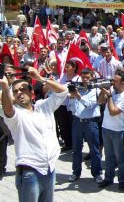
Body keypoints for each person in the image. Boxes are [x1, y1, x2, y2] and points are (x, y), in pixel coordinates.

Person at [1, 67, 68, 202]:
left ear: (31, 92)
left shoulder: (43, 106)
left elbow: (63, 91)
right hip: (30, 173)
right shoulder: (16, 115)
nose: (19, 93)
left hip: (50, 169)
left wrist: (41, 78)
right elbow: (7, 108)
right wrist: (5, 88)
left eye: (22, 89)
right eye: (15, 92)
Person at [97, 69, 124, 190]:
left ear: (123, 83)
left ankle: (122, 180)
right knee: (108, 155)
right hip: (106, 127)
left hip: (118, 130)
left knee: (120, 157)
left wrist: (110, 95)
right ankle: (108, 178)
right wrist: (103, 91)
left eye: (115, 81)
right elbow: (100, 101)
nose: (112, 83)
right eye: (112, 81)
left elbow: (113, 112)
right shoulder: (112, 90)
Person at [67, 68, 103, 183]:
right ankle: (76, 172)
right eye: (83, 77)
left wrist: (79, 97)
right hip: (77, 121)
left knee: (94, 150)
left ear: (92, 77)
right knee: (76, 149)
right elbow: (72, 108)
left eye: (88, 77)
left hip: (91, 122)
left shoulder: (95, 90)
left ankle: (97, 173)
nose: (85, 80)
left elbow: (91, 105)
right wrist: (72, 97)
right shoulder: (78, 89)